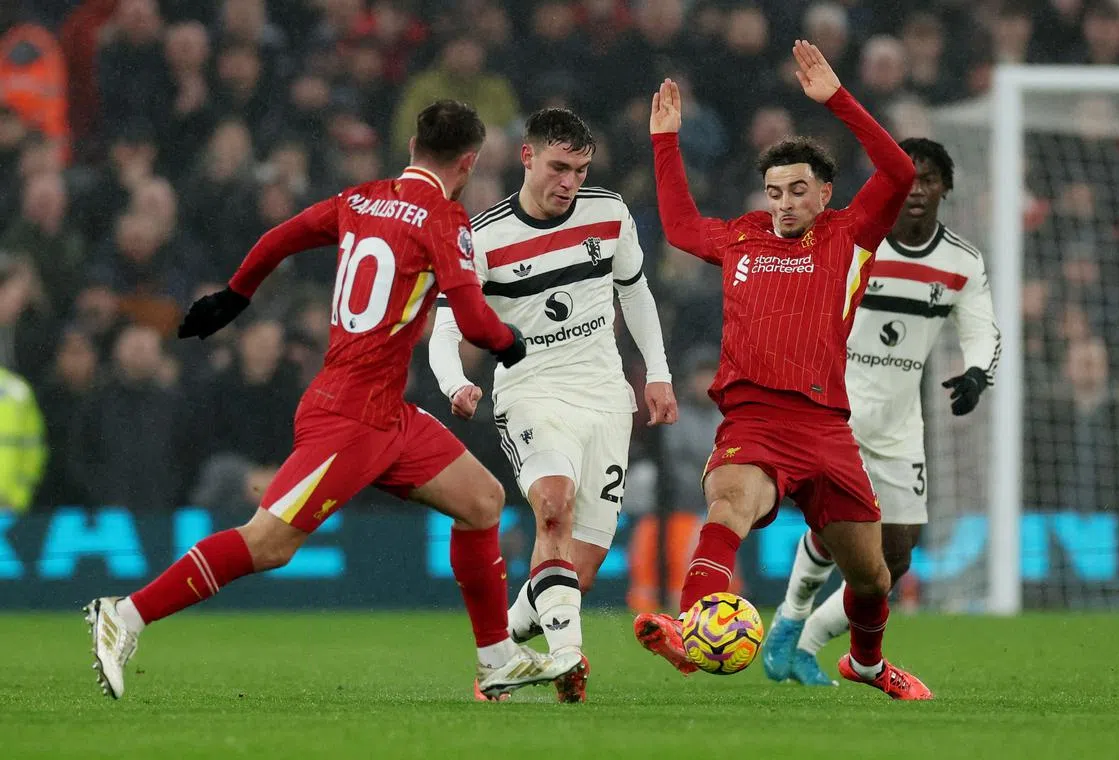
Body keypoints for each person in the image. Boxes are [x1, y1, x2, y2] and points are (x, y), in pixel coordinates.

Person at [85, 100, 582, 701]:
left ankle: (497, 658)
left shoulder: (360, 199)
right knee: (268, 542)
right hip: (350, 417)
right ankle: (125, 615)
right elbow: (476, 322)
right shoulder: (443, 217)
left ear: (412, 148)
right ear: (469, 163)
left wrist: (235, 296)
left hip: (385, 413)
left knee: (481, 500)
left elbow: (279, 238)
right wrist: (512, 343)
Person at [634, 41, 931, 700]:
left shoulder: (850, 234)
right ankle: (690, 628)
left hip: (826, 428)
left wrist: (838, 100)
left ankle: (867, 664)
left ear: (824, 192)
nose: (785, 203)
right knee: (729, 505)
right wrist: (665, 141)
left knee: (873, 578)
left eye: (798, 190)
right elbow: (680, 226)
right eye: (775, 193)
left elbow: (899, 171)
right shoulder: (742, 237)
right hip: (755, 420)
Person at [428, 107, 675, 702]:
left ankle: (502, 658)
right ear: (528, 157)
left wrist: (659, 373)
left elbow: (635, 293)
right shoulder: (482, 239)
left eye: (580, 171)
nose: (570, 182)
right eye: (559, 168)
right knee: (553, 506)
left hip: (606, 397)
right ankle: (568, 658)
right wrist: (454, 383)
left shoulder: (608, 213)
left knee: (575, 573)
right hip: (531, 391)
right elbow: (444, 329)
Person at [761, 138, 1000, 686]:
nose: (915, 189)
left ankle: (808, 640)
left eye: (928, 179)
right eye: (906, 177)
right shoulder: (855, 240)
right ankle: (790, 622)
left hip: (899, 423)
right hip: (835, 409)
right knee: (836, 529)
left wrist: (977, 373)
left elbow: (982, 328)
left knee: (895, 560)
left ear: (945, 188)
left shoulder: (961, 261)